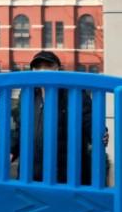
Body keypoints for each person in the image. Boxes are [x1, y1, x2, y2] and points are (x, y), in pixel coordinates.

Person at [26, 50, 100, 185]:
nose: (42, 70)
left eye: (48, 65)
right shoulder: (29, 95)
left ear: (57, 68)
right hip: (35, 169)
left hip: (66, 169)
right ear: (32, 70)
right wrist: (13, 150)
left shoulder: (74, 93)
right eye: (38, 66)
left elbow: (88, 118)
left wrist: (99, 133)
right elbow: (22, 125)